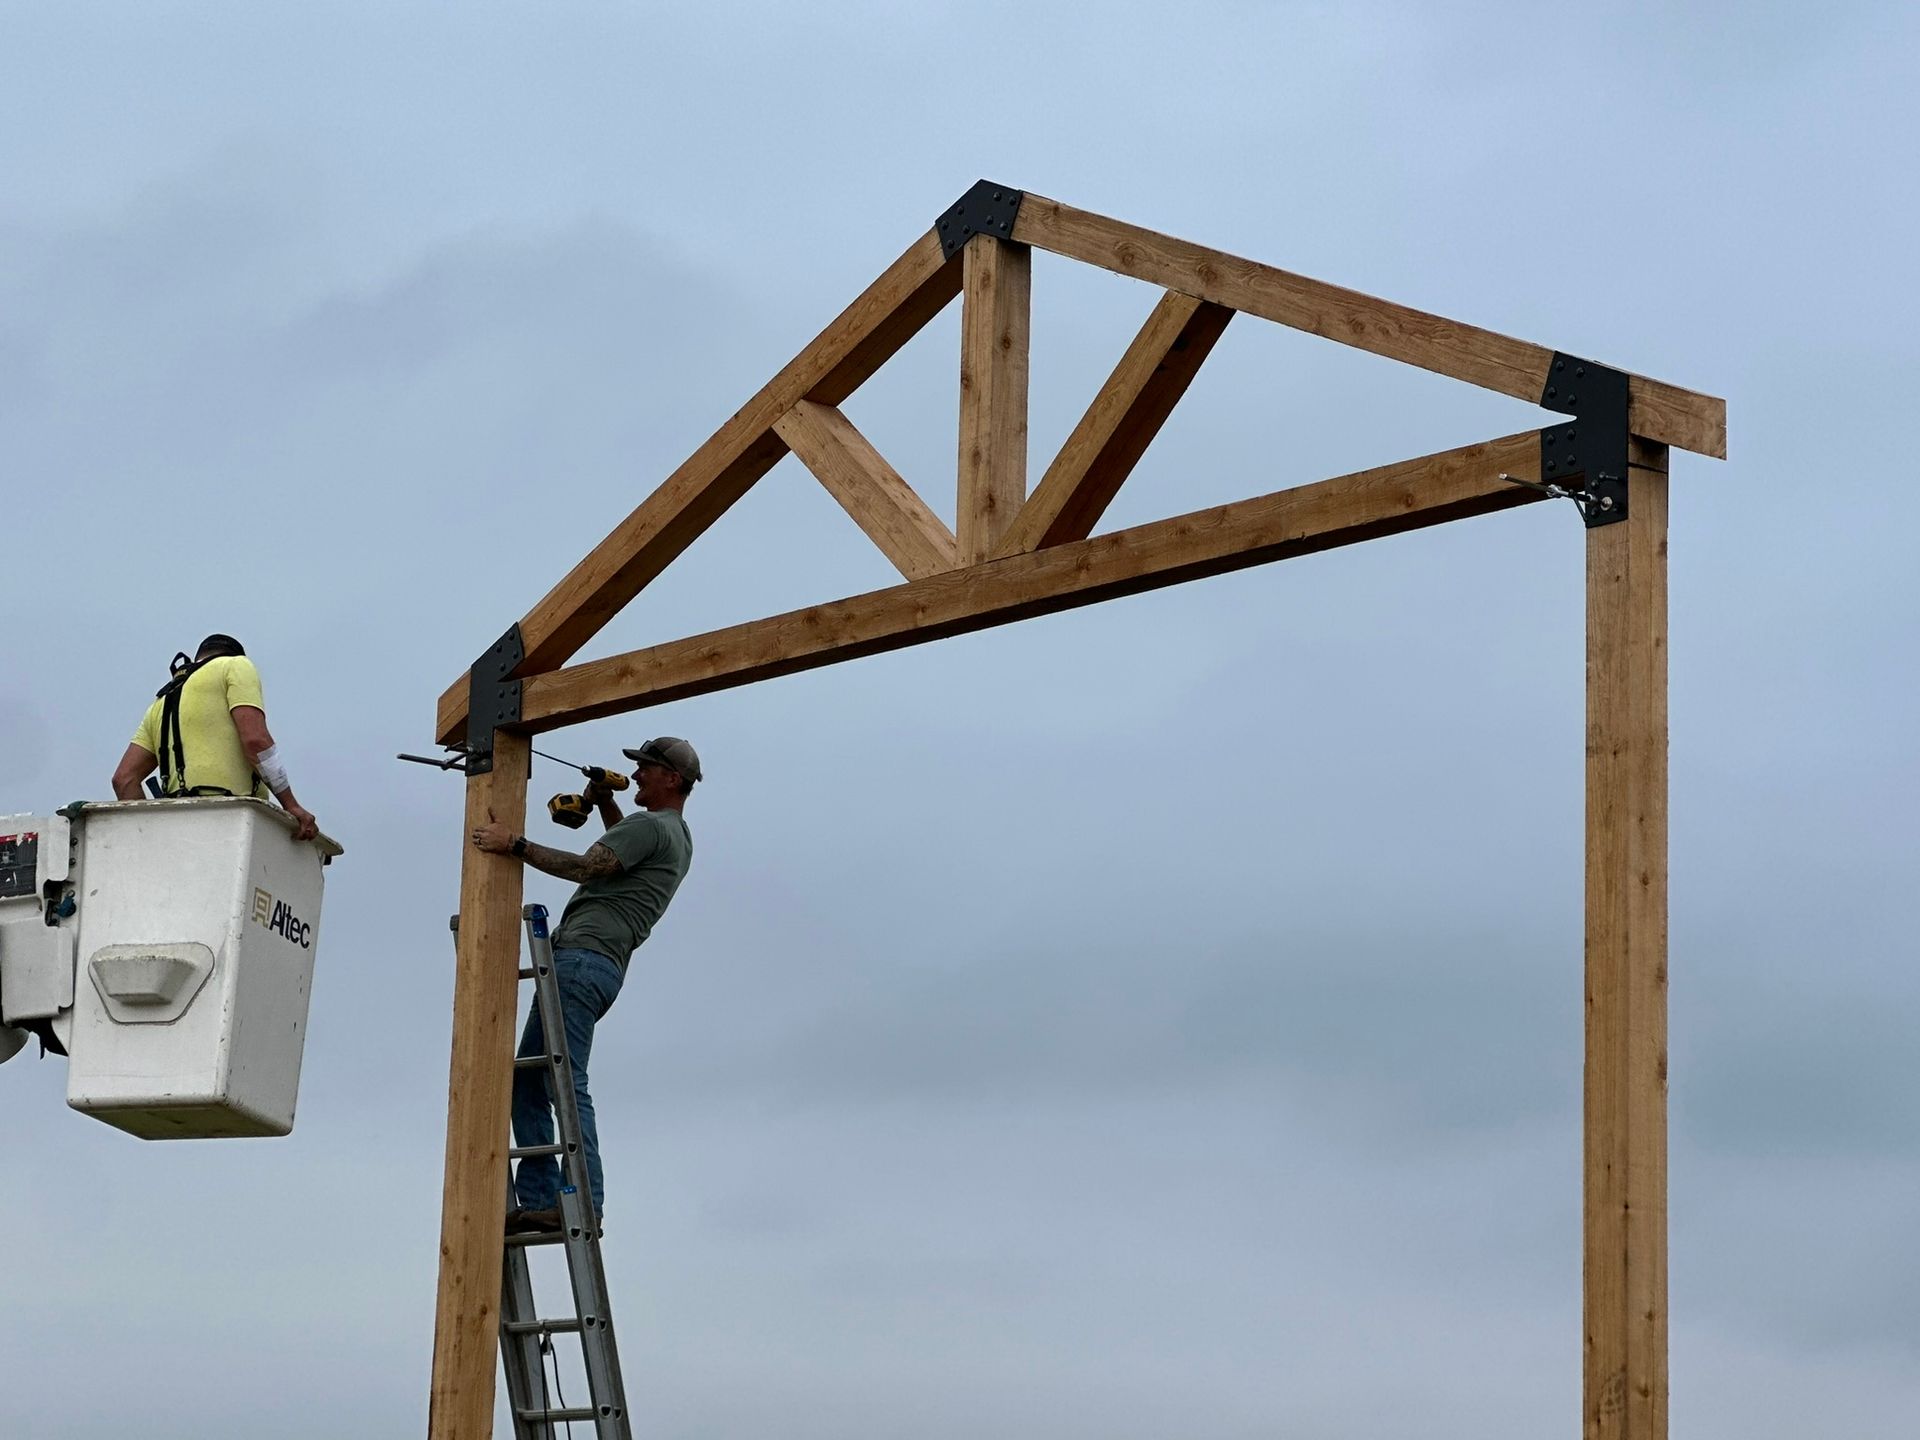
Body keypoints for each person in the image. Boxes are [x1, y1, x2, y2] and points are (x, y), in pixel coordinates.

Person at [470, 735, 700, 1234]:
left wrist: (515, 844)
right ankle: (539, 1199)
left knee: (564, 1081)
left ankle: (584, 1203)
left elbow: (586, 867)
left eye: (646, 769)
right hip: (594, 965)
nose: (637, 775)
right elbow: (621, 858)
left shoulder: (650, 826)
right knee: (529, 1078)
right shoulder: (673, 833)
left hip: (581, 960)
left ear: (672, 779)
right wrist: (606, 803)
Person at [111, 634, 319, 841]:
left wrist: (150, 839)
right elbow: (256, 740)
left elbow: (124, 779)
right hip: (231, 823)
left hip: (177, 829)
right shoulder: (236, 665)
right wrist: (290, 805)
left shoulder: (161, 702)